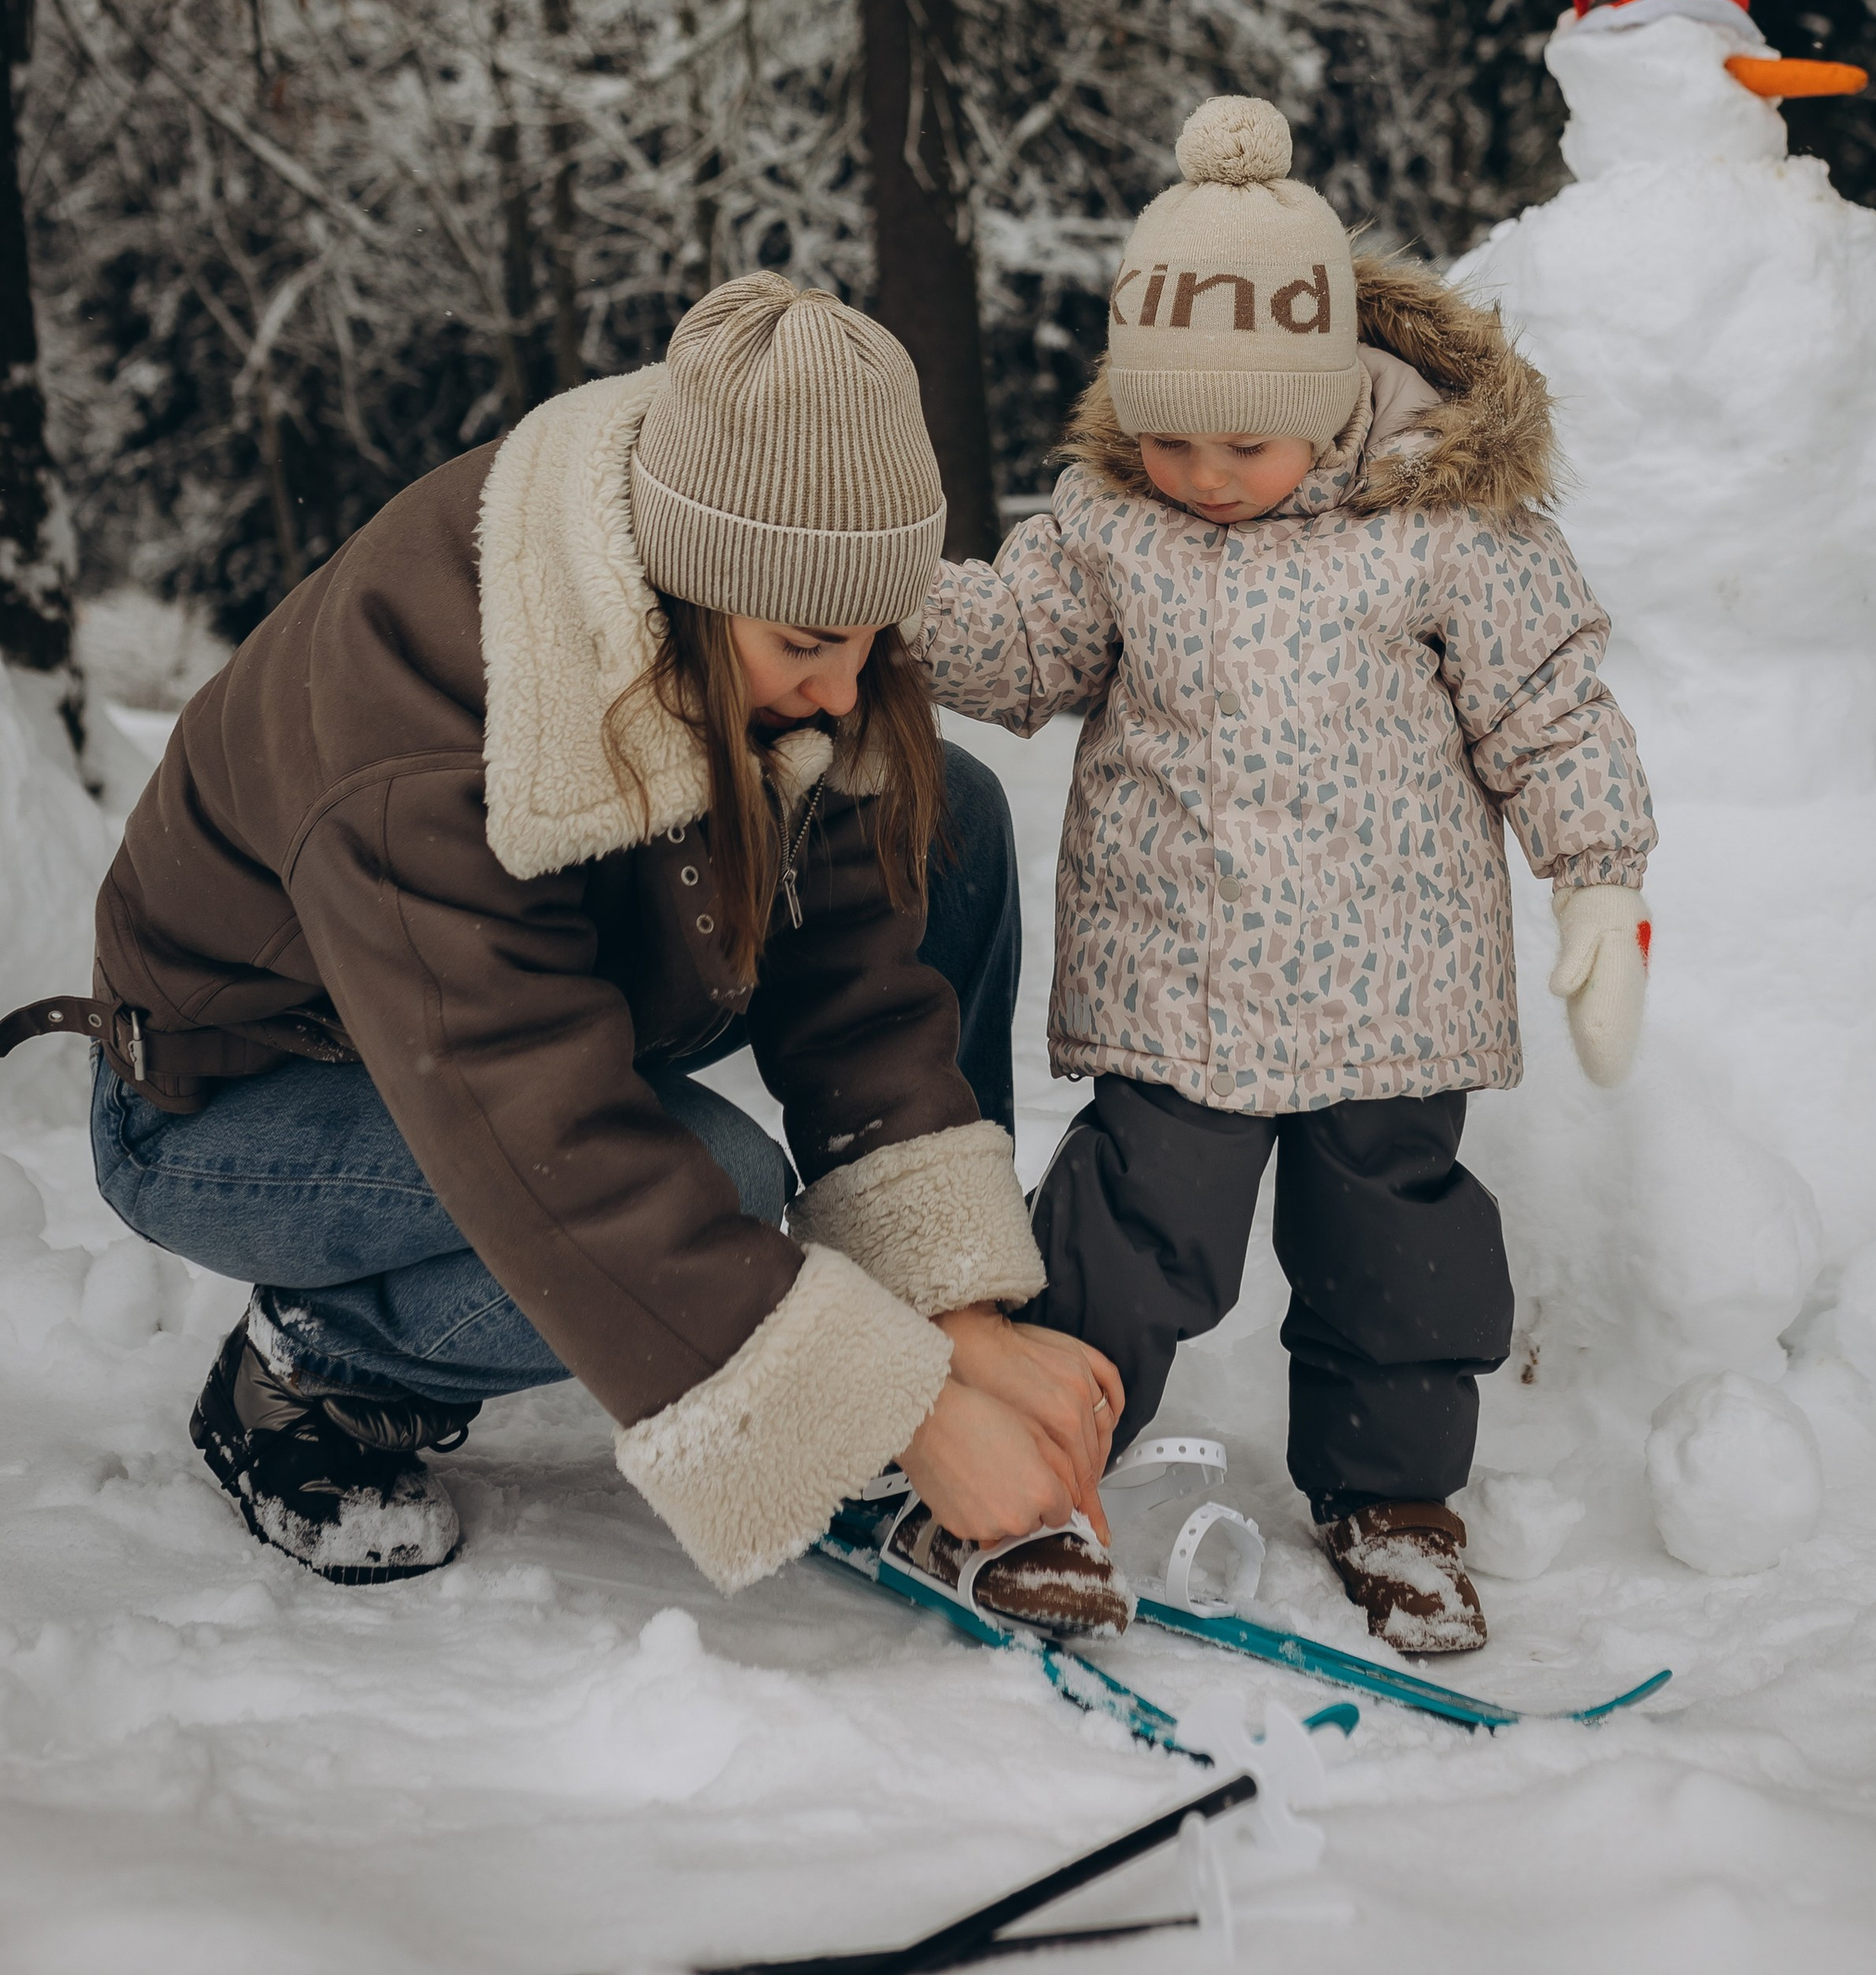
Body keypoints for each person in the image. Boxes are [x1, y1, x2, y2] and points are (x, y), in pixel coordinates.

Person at [3, 275, 1125, 1622]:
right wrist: (882, 1397)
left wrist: (951, 1326)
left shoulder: (761, 589)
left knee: (944, 817)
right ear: (694, 591)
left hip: (529, 987)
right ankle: (314, 1360)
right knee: (713, 1177)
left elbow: (858, 991)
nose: (846, 684)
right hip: (243, 1096)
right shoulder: (415, 729)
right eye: (812, 645)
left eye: (878, 638)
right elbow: (539, 1128)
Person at [912, 98, 1655, 1656]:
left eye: (1243, 440)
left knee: (1399, 1247)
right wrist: (886, 597)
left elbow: (1549, 699)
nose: (1204, 472)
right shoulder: (1114, 525)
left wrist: (1596, 877)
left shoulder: (1444, 523)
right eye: (1168, 434)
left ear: (1326, 397)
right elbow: (1022, 647)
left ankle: (1395, 1503)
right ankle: (1029, 1479)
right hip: (1180, 983)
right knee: (1128, 1236)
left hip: (1394, 985)